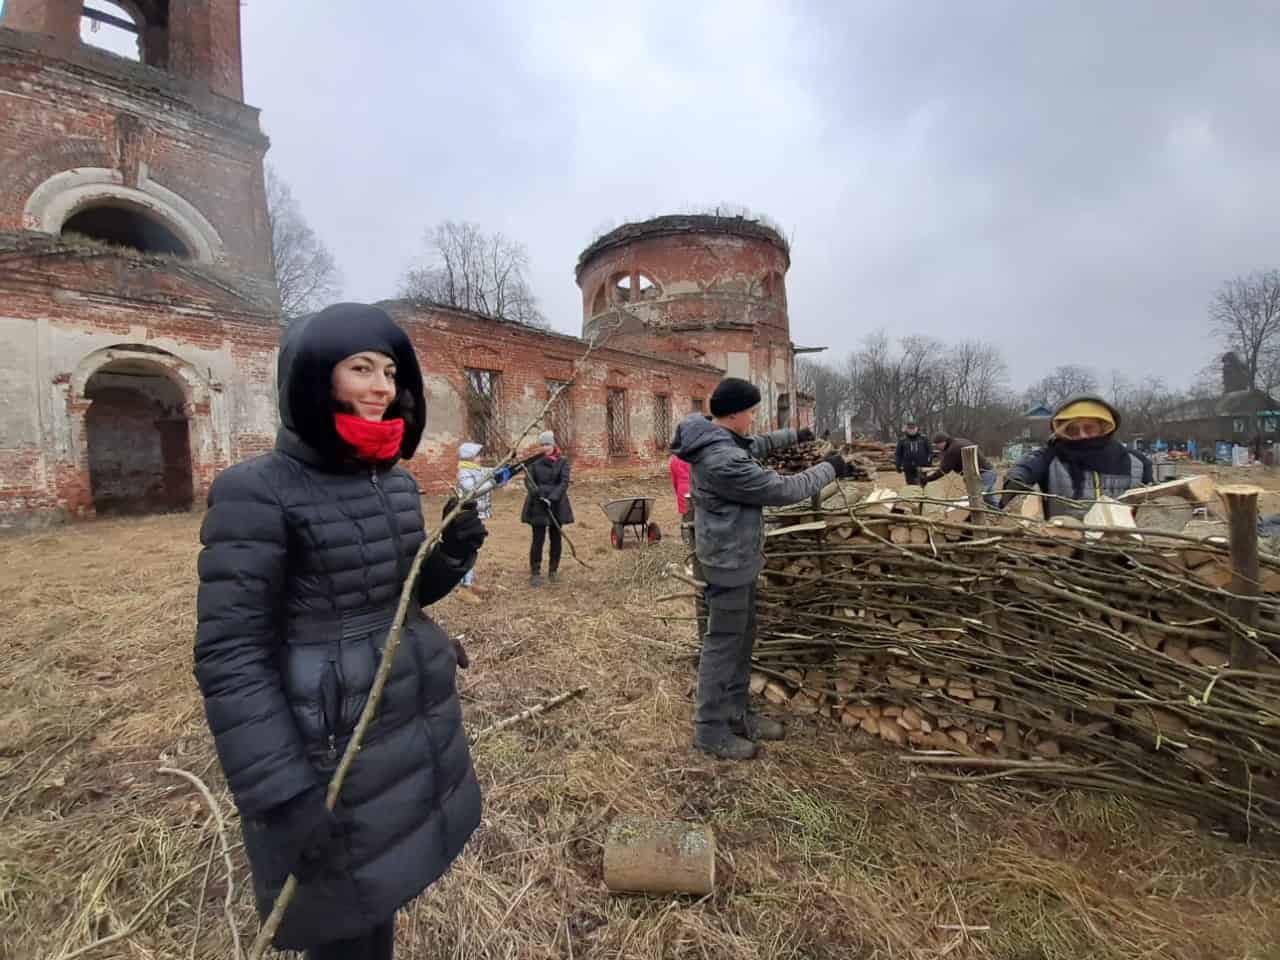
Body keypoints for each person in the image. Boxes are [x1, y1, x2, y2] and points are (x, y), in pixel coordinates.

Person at [194, 303, 485, 959]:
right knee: (343, 931)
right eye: (360, 368)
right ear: (313, 378)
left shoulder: (394, 483)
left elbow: (402, 596)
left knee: (378, 907)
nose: (382, 386)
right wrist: (281, 795)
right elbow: (229, 655)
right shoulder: (257, 491)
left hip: (403, 730)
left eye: (388, 370)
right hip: (327, 753)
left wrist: (454, 549)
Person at [670, 377, 855, 760]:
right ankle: (710, 732)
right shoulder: (723, 460)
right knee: (722, 647)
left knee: (741, 641)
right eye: (751, 412)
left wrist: (798, 433)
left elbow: (759, 444)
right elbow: (784, 490)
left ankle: (738, 715)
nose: (754, 419)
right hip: (727, 563)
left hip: (738, 558)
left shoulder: (719, 439)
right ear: (735, 413)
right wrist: (830, 468)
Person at [999, 395, 1152, 519]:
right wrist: (1015, 481)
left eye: (1089, 428)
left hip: (1126, 550)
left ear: (1104, 427)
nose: (1082, 435)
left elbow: (1153, 500)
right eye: (1073, 430)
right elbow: (1025, 467)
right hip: (1066, 548)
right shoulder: (1050, 456)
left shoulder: (1137, 462)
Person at [522, 430, 573, 586]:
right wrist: (535, 492)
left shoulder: (563, 462)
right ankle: (535, 572)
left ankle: (553, 571)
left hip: (556, 504)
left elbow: (564, 482)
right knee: (538, 539)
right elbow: (528, 481)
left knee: (555, 538)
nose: (545, 447)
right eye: (542, 444)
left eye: (548, 444)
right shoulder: (534, 462)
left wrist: (552, 498)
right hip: (537, 504)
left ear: (553, 444)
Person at [456, 441, 495, 599]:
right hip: (466, 516)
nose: (481, 458)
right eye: (478, 455)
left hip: (476, 515)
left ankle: (469, 582)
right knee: (467, 548)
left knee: (473, 548)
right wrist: (493, 482)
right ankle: (463, 588)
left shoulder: (476, 469)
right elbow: (473, 491)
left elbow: (493, 471)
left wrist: (509, 464)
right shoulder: (464, 472)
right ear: (470, 457)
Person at [922, 432, 998, 505]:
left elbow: (943, 470)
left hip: (983, 474)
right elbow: (946, 463)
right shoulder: (958, 442)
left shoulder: (953, 449)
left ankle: (972, 517)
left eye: (937, 445)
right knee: (988, 498)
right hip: (987, 471)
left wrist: (927, 479)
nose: (937, 447)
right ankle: (999, 514)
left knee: (976, 499)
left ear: (942, 442)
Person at [894, 419, 932, 487]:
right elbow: (898, 454)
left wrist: (929, 462)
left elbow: (930, 452)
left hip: (922, 467)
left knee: (922, 484)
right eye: (909, 428)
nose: (911, 430)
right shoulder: (902, 440)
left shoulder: (924, 439)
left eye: (913, 428)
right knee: (911, 486)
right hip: (908, 467)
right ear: (906, 429)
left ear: (916, 428)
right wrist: (898, 465)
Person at [669, 449, 692, 518]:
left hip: (682, 489)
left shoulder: (674, 460)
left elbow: (674, 480)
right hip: (695, 487)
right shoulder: (693, 457)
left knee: (686, 517)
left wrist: (677, 492)